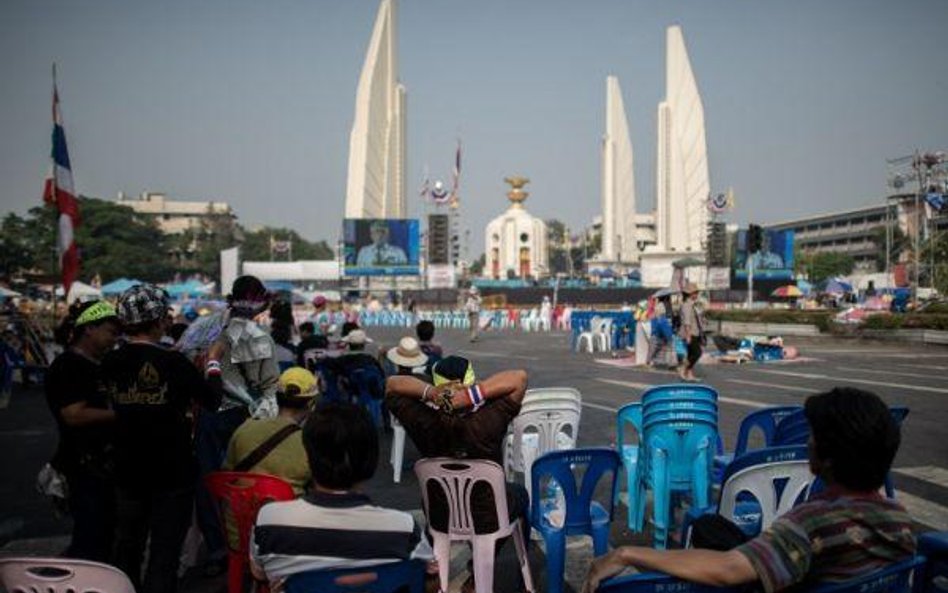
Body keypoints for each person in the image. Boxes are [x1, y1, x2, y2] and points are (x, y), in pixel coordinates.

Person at [583, 387, 915, 593]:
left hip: (778, 574)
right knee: (711, 527)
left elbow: (728, 571)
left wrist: (625, 553)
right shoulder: (897, 518)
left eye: (814, 436)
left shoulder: (810, 523)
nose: (808, 442)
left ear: (828, 458)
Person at [105, 284, 221, 593]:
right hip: (172, 472)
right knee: (164, 555)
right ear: (159, 322)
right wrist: (213, 362)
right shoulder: (175, 364)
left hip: (126, 468)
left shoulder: (110, 363)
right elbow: (212, 400)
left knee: (127, 548)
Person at [386, 356, 530, 592]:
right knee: (519, 496)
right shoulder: (489, 418)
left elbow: (392, 383)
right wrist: (471, 396)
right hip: (488, 515)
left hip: (441, 514)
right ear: (472, 382)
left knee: (434, 497)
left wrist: (433, 394)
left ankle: (432, 568)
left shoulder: (425, 420)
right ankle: (489, 573)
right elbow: (519, 377)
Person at [250, 403, 433, 586]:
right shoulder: (403, 530)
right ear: (371, 459)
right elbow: (427, 575)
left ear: (308, 456)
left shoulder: (269, 521)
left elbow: (259, 574)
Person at [194, 275, 280, 575]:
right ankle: (245, 546)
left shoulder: (208, 326)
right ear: (258, 301)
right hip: (240, 418)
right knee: (244, 483)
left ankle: (220, 548)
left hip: (207, 414)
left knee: (209, 483)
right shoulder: (254, 335)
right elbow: (268, 385)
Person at [45, 300, 121, 562]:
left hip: (102, 465)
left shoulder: (96, 364)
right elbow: (73, 414)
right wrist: (123, 415)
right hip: (85, 466)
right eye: (110, 332)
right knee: (91, 539)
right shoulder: (69, 366)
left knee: (103, 536)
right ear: (89, 329)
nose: (114, 339)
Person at [224, 367, 318, 495]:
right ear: (311, 404)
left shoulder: (244, 428)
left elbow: (226, 474)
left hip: (240, 512)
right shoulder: (310, 444)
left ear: (277, 398)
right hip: (286, 513)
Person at [677, 283, 704, 382]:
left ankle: (689, 374)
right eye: (695, 292)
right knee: (697, 353)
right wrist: (688, 335)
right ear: (690, 293)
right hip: (690, 333)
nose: (697, 294)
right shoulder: (687, 305)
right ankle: (683, 368)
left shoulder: (692, 304)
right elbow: (687, 321)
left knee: (690, 353)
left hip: (695, 332)